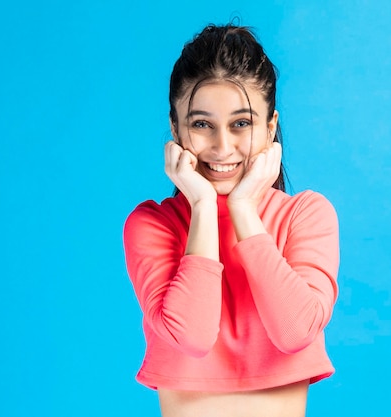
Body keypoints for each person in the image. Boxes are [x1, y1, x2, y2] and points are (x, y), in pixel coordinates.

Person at [123, 23, 340, 417]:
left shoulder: (305, 216)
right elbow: (191, 337)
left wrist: (243, 208)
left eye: (241, 123)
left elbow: (295, 333)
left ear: (271, 127)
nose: (223, 147)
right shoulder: (152, 225)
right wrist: (204, 206)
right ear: (175, 129)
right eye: (201, 124)